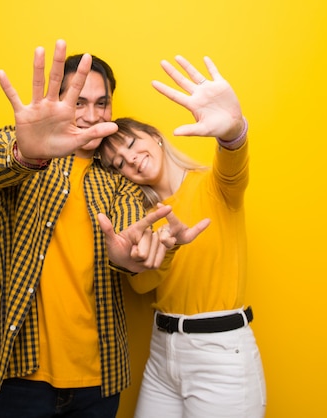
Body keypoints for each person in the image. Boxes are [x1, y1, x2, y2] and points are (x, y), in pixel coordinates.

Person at [0, 40, 206, 418]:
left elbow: (133, 228)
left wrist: (132, 256)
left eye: (102, 103)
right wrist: (28, 152)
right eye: (78, 102)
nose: (91, 114)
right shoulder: (22, 146)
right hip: (20, 377)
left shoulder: (117, 178)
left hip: (98, 384)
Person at [97, 55, 266, 417]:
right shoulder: (142, 217)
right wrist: (157, 255)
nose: (130, 162)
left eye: (130, 146)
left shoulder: (213, 186)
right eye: (119, 164)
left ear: (154, 137)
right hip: (162, 355)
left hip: (219, 356)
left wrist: (234, 132)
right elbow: (143, 288)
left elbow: (235, 167)